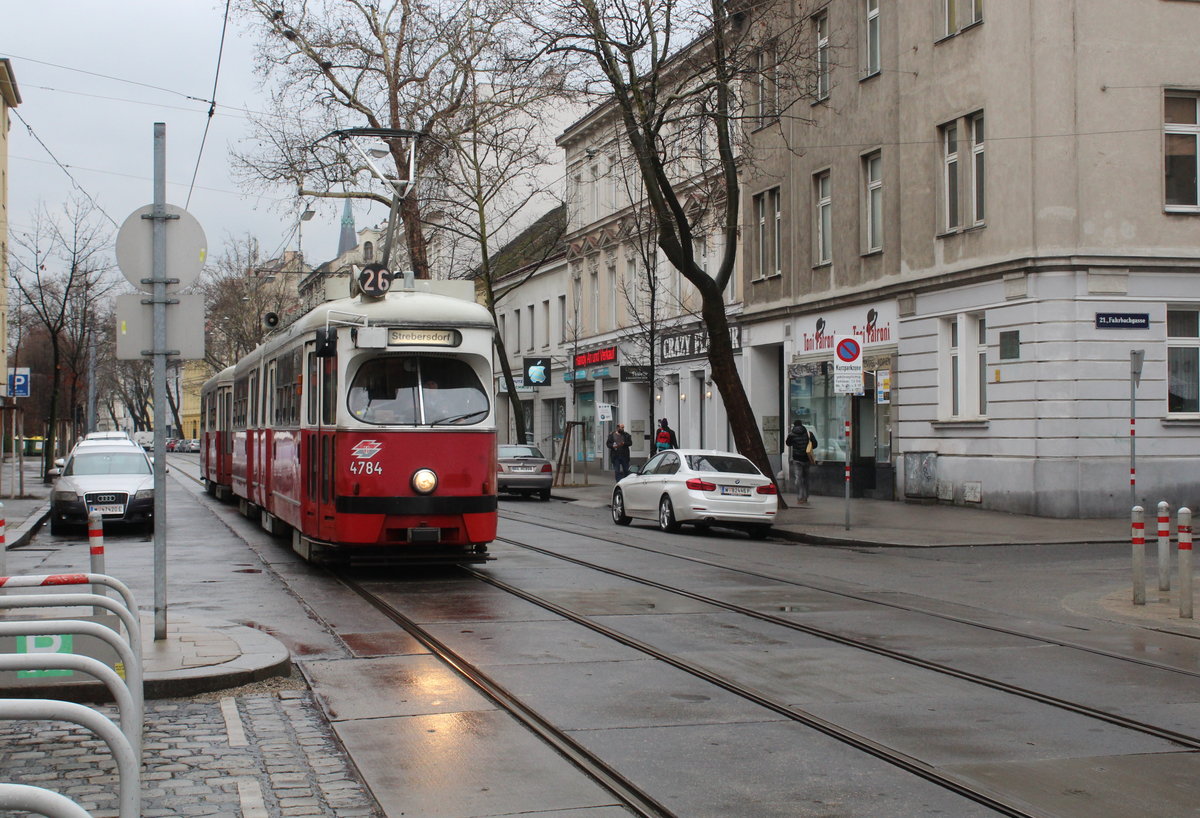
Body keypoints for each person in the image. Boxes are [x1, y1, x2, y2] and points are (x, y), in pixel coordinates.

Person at [785, 418, 818, 504]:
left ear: (794, 425)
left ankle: (800, 497)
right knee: (806, 478)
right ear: (802, 425)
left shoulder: (791, 434)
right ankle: (806, 496)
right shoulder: (808, 433)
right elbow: (815, 445)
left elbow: (788, 444)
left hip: (797, 459)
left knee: (798, 478)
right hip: (807, 459)